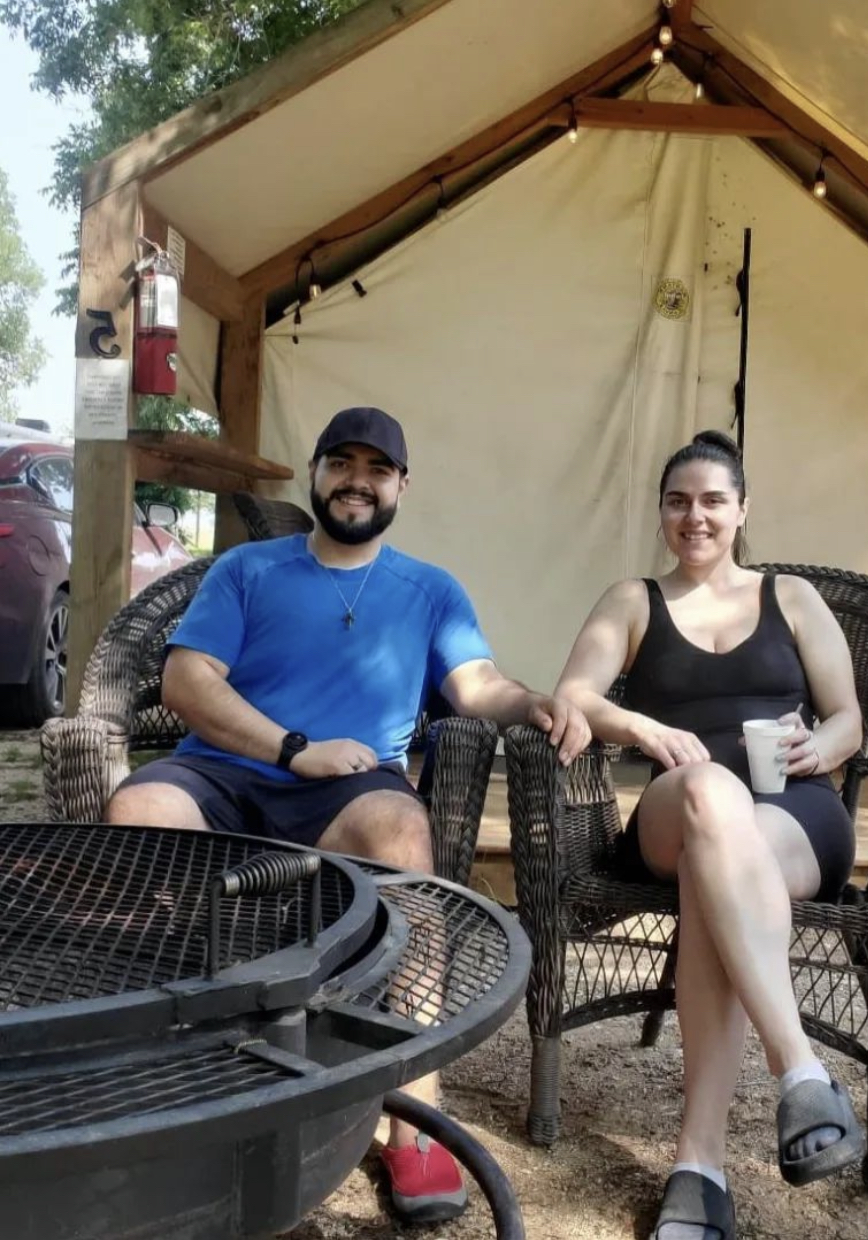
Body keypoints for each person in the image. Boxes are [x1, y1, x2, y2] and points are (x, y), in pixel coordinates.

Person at [106, 405, 589, 1227]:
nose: (357, 480)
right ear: (317, 472)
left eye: (377, 468)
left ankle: (414, 1116)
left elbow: (476, 686)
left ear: (402, 485)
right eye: (342, 462)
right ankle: (164, 1080)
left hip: (351, 790)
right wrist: (293, 747)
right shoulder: (248, 569)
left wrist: (537, 702)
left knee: (405, 839)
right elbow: (188, 682)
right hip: (226, 770)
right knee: (140, 811)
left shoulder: (431, 589)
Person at [554, 430, 864, 1240]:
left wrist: (821, 748)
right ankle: (797, 1067)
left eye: (713, 500)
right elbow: (576, 696)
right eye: (678, 501)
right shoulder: (631, 600)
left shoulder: (792, 596)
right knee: (707, 798)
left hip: (796, 813)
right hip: (675, 802)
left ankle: (700, 1165)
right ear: (662, 512)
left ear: (742, 509)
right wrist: (643, 729)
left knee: (716, 872)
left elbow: (849, 717)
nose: (695, 517)